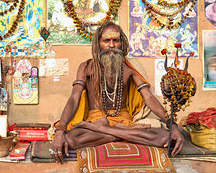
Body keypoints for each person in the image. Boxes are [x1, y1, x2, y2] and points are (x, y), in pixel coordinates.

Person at [50, 21, 184, 163]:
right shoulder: (86, 67)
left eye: (116, 41)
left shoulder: (128, 68)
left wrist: (171, 124)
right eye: (106, 41)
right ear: (98, 44)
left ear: (122, 43)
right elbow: (74, 99)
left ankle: (106, 130)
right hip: (96, 121)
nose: (112, 45)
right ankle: (120, 134)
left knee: (166, 138)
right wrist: (60, 130)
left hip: (122, 122)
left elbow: (148, 97)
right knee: (69, 139)